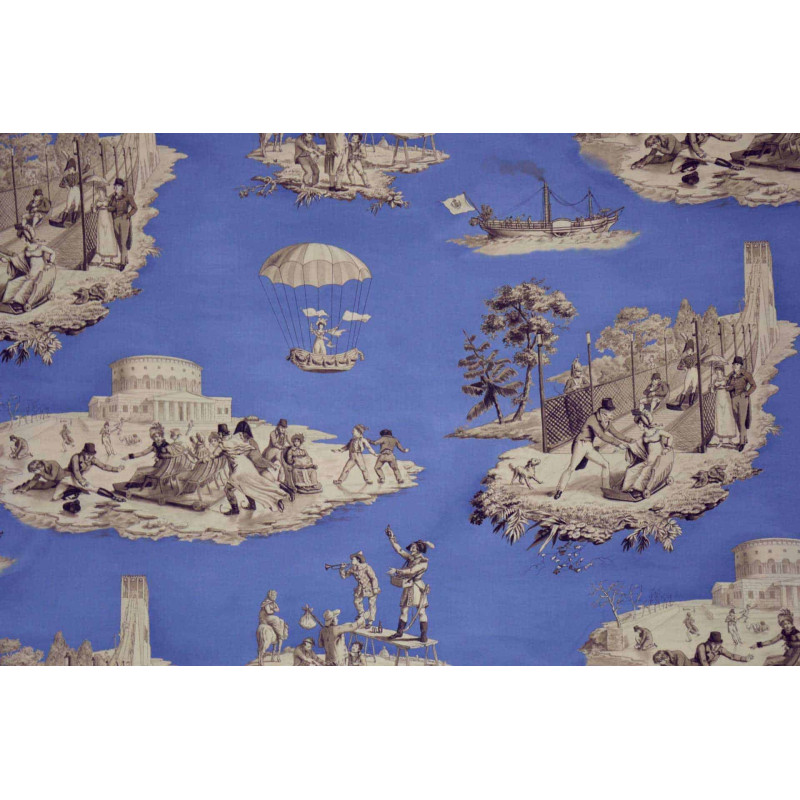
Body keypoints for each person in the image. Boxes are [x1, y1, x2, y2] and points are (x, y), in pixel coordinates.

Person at [553, 398, 634, 500]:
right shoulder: (592, 419)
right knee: (571, 468)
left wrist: (630, 440)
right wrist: (618, 444)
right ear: (604, 412)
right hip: (580, 444)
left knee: (605, 464)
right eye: (611, 412)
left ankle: (606, 489)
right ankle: (559, 490)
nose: (612, 413)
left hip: (588, 446)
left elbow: (616, 433)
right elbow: (601, 435)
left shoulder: (607, 421)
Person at [218, 423, 288, 515]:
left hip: (249, 471)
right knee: (246, 487)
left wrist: (270, 464)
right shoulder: (236, 441)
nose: (241, 436)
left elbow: (257, 459)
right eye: (240, 434)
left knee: (231, 489)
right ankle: (252, 505)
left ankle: (236, 510)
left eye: (243, 434)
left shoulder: (248, 443)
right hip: (243, 470)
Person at [385, 525, 433, 642]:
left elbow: (411, 571)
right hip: (408, 586)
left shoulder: (423, 562)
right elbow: (399, 550)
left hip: (418, 587)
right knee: (404, 610)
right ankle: (399, 632)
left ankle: (423, 635)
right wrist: (391, 538)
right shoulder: (411, 558)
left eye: (414, 547)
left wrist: (396, 571)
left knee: (421, 611)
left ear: (419, 549)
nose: (411, 549)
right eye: (411, 547)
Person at [0, 224, 57, 314]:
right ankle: (7, 301)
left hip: (38, 275)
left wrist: (49, 264)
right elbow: (18, 259)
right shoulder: (26, 250)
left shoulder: (40, 247)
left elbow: (53, 253)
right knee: (13, 283)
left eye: (21, 238)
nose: (21, 240)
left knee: (25, 286)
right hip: (30, 274)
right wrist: (8, 260)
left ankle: (18, 303)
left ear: (25, 237)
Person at [620, 409, 673, 498]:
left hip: (657, 461)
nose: (638, 426)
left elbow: (670, 436)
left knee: (644, 472)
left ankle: (637, 490)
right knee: (631, 470)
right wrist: (628, 446)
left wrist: (667, 448)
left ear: (643, 423)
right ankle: (627, 488)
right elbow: (637, 445)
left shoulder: (657, 431)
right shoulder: (644, 435)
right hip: (648, 460)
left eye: (639, 424)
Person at [631, 133, 744, 175]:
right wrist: (643, 163)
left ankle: (731, 166)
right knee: (673, 171)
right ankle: (693, 162)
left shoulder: (669, 137)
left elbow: (721, 136)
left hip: (689, 150)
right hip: (683, 152)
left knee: (710, 159)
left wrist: (733, 139)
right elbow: (693, 142)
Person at [340, 551, 381, 625]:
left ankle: (370, 621)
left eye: (353, 559)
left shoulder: (367, 567)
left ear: (358, 560)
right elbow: (344, 576)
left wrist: (375, 588)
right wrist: (342, 569)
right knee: (356, 601)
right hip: (360, 588)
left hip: (370, 587)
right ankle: (361, 615)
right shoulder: (353, 568)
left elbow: (374, 578)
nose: (351, 561)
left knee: (371, 604)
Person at [726, 356, 756, 451]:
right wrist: (727, 388)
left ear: (740, 365)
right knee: (737, 420)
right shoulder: (731, 375)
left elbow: (754, 386)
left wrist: (746, 393)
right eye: (734, 364)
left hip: (743, 399)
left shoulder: (746, 374)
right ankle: (744, 438)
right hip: (733, 399)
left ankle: (742, 442)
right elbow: (729, 386)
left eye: (737, 364)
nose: (735, 366)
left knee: (742, 421)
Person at [107, 178, 137, 268]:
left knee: (123, 242)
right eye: (115, 186)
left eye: (118, 186)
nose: (116, 187)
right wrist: (111, 208)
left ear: (122, 187)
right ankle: (126, 259)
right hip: (115, 220)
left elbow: (135, 208)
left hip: (124, 220)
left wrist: (128, 215)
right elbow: (109, 207)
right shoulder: (113, 197)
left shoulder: (128, 196)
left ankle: (122, 263)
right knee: (119, 241)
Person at [709, 363, 738, 447]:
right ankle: (720, 440)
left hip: (726, 398)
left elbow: (731, 387)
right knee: (720, 417)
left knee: (728, 417)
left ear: (722, 371)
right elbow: (712, 391)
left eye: (719, 370)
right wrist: (711, 387)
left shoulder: (726, 379)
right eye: (716, 371)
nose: (718, 372)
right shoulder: (715, 380)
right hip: (718, 399)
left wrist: (725, 387)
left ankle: (730, 439)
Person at [257, 589, 288, 662]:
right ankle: (280, 634)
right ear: (270, 595)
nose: (274, 597)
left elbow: (278, 609)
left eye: (275, 595)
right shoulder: (266, 602)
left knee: (281, 620)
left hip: (269, 617)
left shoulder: (273, 602)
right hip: (265, 618)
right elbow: (268, 612)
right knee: (276, 619)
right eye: (273, 595)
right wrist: (273, 610)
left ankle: (279, 634)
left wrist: (273, 609)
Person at [667, 340, 699, 410]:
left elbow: (703, 350)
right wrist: (684, 368)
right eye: (687, 350)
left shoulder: (695, 355)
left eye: (689, 350)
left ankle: (691, 403)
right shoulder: (684, 358)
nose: (688, 351)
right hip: (689, 372)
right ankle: (679, 405)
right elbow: (678, 367)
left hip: (695, 372)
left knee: (694, 387)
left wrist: (707, 342)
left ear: (692, 350)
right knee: (685, 388)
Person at [93, 184, 118, 267]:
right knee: (102, 237)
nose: (100, 193)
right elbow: (94, 210)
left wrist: (106, 207)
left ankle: (111, 259)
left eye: (101, 192)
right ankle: (102, 260)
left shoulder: (109, 199)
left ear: (104, 192)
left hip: (108, 218)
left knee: (110, 237)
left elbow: (113, 208)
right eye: (99, 192)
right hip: (100, 219)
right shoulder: (97, 200)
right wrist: (94, 207)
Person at [563, 358, 590, 435]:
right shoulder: (570, 380)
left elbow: (588, 384)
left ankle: (581, 430)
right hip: (571, 402)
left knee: (581, 415)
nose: (579, 373)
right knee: (573, 417)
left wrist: (580, 386)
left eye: (580, 371)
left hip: (580, 401)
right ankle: (574, 432)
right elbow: (565, 391)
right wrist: (573, 388)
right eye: (578, 371)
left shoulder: (582, 379)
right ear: (574, 372)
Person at [50, 157, 81, 226]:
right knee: (68, 206)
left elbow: (85, 170)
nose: (68, 171)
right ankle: (62, 222)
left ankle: (74, 221)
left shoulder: (78, 174)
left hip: (77, 190)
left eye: (69, 169)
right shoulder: (66, 177)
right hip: (71, 190)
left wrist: (88, 162)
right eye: (68, 169)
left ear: (73, 168)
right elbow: (61, 184)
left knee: (76, 206)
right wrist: (67, 186)